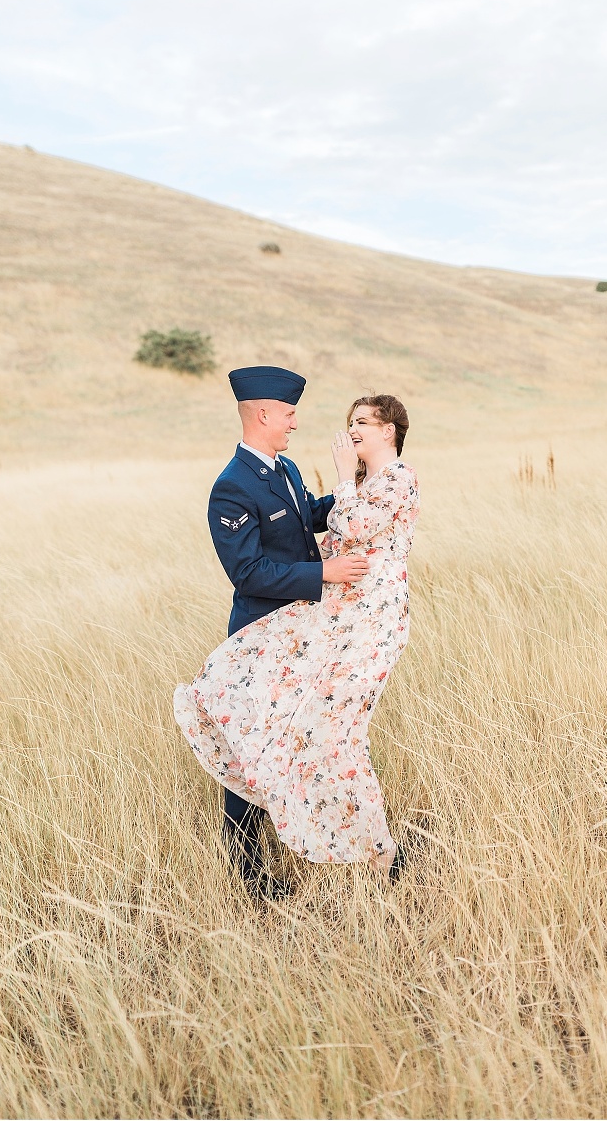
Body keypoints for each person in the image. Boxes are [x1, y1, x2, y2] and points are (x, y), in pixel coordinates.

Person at [174, 382, 419, 898]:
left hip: (312, 626)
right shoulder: (233, 485)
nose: (295, 422)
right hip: (263, 624)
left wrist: (374, 484)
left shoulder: (282, 470)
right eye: (288, 413)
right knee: (248, 737)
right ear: (263, 414)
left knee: (301, 737)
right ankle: (247, 870)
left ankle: (319, 842)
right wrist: (324, 572)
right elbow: (248, 571)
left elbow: (313, 514)